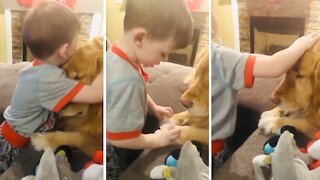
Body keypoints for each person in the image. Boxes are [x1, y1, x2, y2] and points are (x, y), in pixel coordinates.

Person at [0, 1, 103, 174]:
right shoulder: (49, 79)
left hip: (11, 129)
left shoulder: (39, 67)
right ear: (63, 51)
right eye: (75, 43)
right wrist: (105, 64)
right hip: (13, 144)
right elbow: (96, 94)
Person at [211, 11, 320, 173]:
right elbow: (272, 65)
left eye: (298, 76)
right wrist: (299, 45)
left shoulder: (218, 57)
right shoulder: (219, 57)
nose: (275, 96)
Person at [106, 0, 193, 178]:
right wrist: (157, 139)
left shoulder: (117, 55)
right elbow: (120, 138)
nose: (163, 60)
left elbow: (135, 92)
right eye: (163, 52)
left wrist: (153, 107)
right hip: (113, 150)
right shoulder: (127, 81)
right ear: (140, 38)